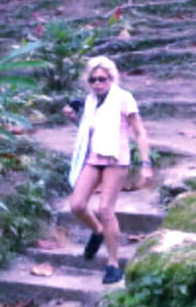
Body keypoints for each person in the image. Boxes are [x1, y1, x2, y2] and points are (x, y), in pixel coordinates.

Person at [63, 56, 151, 285]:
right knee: (77, 205)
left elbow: (139, 131)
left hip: (116, 158)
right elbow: (91, 131)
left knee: (105, 209)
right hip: (94, 156)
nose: (97, 84)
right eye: (93, 79)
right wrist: (75, 119)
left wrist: (145, 163)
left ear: (112, 78)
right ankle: (98, 231)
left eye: (102, 79)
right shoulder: (91, 101)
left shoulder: (124, 99)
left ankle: (113, 263)